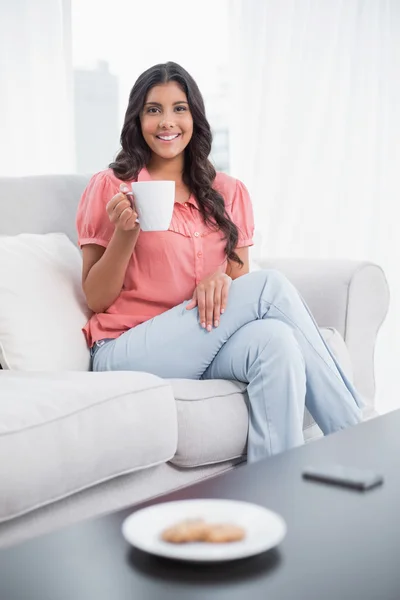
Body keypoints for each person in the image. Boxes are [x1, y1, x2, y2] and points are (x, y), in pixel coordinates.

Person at [76, 61, 363, 463]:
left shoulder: (228, 191)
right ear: (137, 119)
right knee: (272, 286)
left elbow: (241, 286)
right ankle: (359, 436)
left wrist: (222, 278)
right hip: (125, 349)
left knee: (275, 342)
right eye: (153, 109)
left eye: (179, 108)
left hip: (202, 343)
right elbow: (96, 299)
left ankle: (277, 495)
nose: (166, 121)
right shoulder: (112, 186)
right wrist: (126, 233)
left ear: (195, 116)